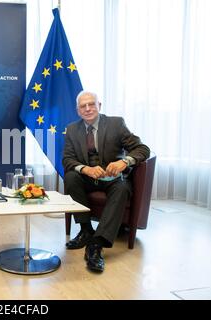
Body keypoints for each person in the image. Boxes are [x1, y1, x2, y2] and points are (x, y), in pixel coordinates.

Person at [63, 91, 150, 272]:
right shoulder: (72, 129)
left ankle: (97, 243)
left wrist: (124, 161)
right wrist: (86, 169)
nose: (88, 109)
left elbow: (142, 149)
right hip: (88, 178)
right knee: (71, 176)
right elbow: (67, 159)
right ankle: (86, 229)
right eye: (83, 106)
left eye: (91, 104)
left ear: (99, 106)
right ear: (77, 110)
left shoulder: (116, 124)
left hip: (113, 178)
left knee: (123, 189)